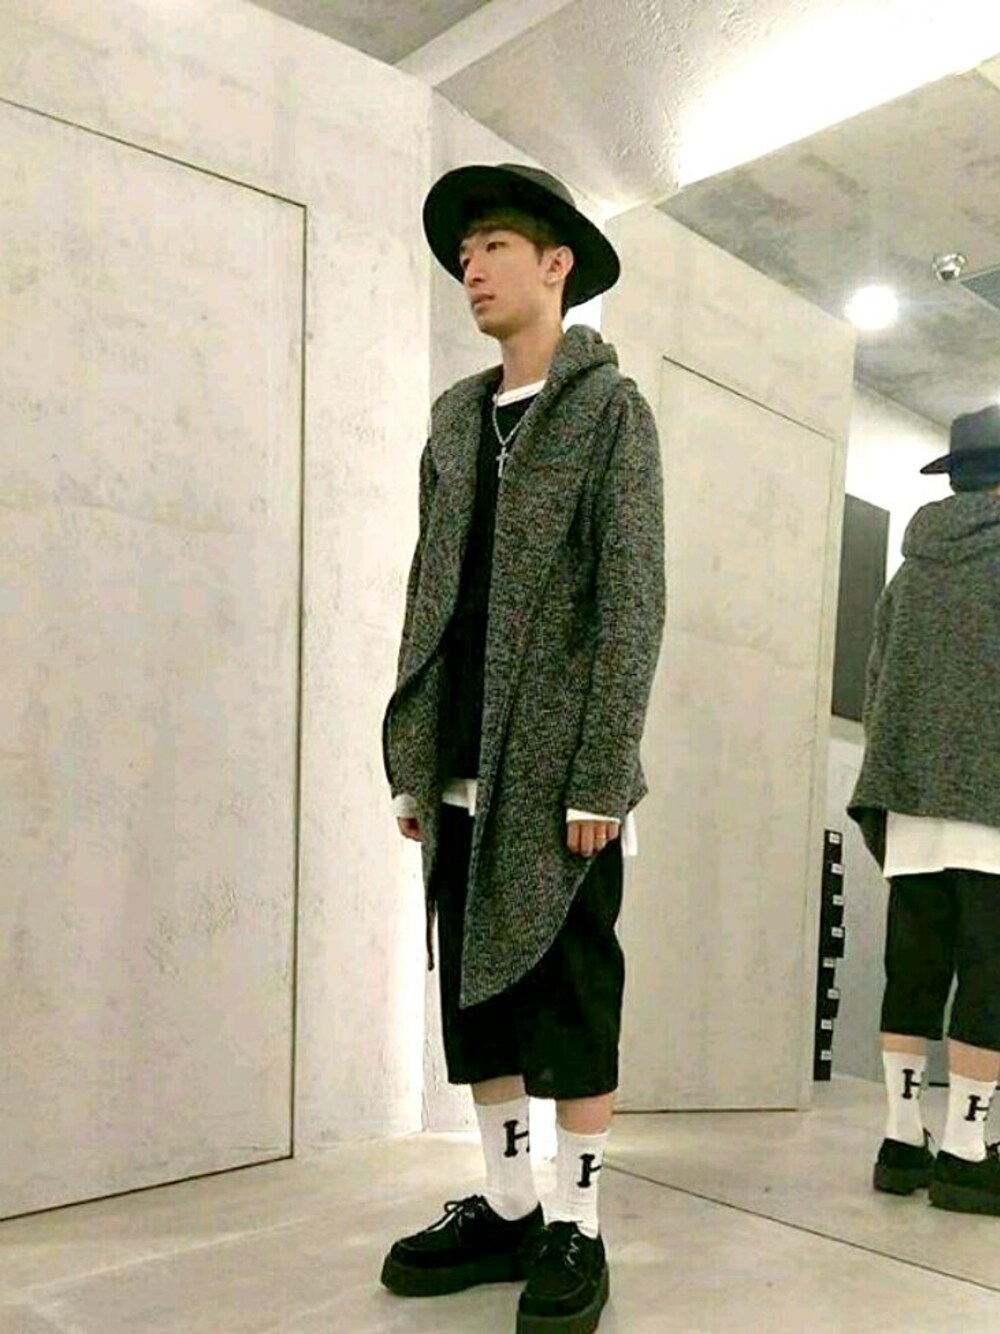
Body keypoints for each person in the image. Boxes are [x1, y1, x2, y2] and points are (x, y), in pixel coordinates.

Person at [379, 162, 665, 1333]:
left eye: (494, 245)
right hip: (458, 753)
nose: (473, 269)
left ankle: (576, 1223)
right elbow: (426, 593)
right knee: (478, 997)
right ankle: (506, 1204)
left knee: (572, 995)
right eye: (464, 255)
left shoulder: (611, 409)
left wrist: (601, 769)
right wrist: (411, 751)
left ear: (556, 264)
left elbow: (631, 599)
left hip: (563, 776)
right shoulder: (455, 420)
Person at [848, 403, 1000, 1213]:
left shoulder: (910, 571)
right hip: (992, 803)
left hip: (909, 803)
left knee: (912, 972)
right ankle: (970, 1154)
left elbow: (875, 682)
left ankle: (901, 1141)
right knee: (988, 977)